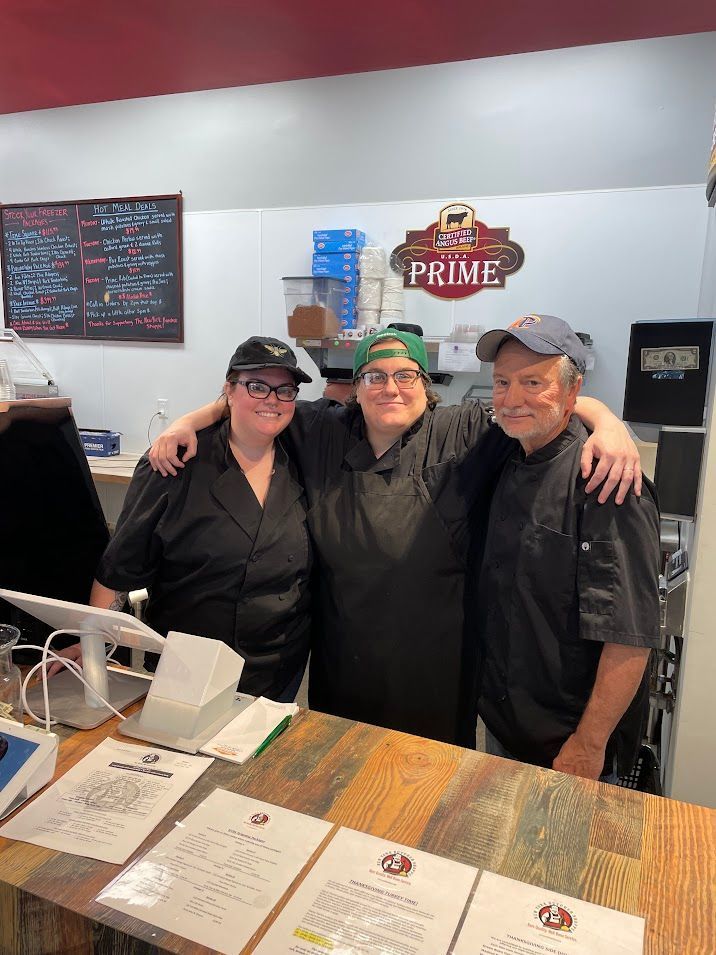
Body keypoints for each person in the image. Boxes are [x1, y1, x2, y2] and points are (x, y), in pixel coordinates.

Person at [148, 327, 642, 745]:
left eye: (406, 376)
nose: (391, 388)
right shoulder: (323, 430)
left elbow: (538, 404)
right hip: (341, 653)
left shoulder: (465, 429)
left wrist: (608, 422)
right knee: (335, 772)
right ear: (356, 388)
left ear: (426, 387)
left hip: (436, 662)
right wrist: (189, 421)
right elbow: (254, 403)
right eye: (375, 377)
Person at [56, 337, 314, 702]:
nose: (272, 399)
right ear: (229, 389)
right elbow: (121, 566)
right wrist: (93, 644)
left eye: (284, 390)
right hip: (185, 667)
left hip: (276, 669)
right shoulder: (175, 462)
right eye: (256, 386)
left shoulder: (305, 455)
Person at [474, 315, 660, 781]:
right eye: (502, 382)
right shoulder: (509, 454)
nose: (511, 399)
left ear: (571, 393)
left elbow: (630, 635)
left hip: (570, 747)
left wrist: (588, 744)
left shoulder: (606, 482)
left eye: (532, 382)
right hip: (506, 722)